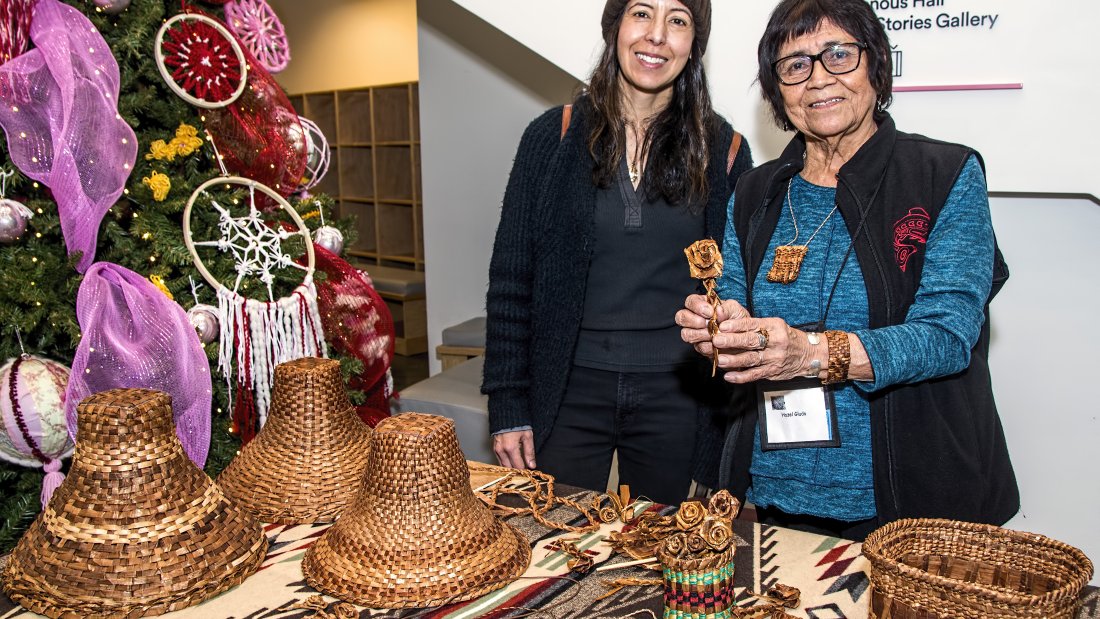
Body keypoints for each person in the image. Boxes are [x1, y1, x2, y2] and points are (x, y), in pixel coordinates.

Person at [677, 0, 1018, 539]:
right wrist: (721, 326)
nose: (818, 79)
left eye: (838, 55)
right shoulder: (756, 191)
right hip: (778, 486)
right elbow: (737, 296)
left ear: (875, 63)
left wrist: (811, 354)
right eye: (795, 65)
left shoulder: (943, 174)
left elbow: (948, 335)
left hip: (909, 495)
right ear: (776, 89)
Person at [482, 0, 753, 505]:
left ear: (694, 44)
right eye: (641, 13)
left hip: (677, 396)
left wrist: (721, 428)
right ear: (615, 27)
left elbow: (733, 290)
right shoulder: (553, 135)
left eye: (678, 21)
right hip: (565, 392)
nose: (656, 35)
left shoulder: (724, 149)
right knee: (555, 546)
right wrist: (508, 404)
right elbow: (511, 279)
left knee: (668, 559)